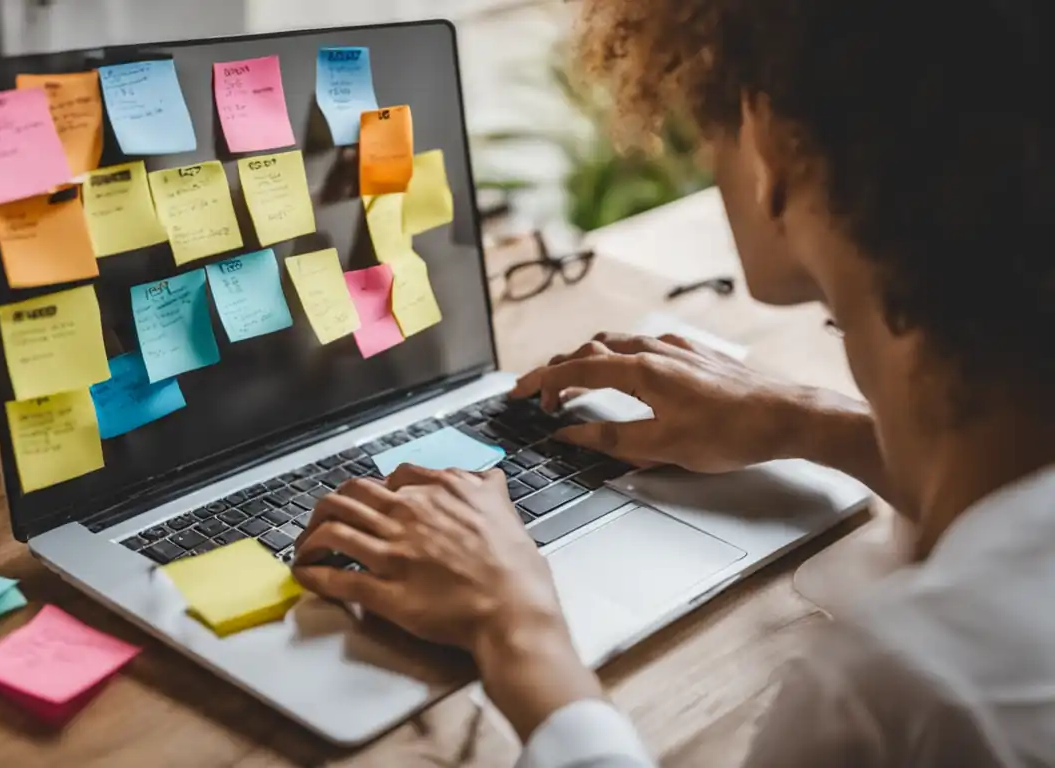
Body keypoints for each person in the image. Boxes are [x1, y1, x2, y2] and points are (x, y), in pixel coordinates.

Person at [292, 0, 1055, 765]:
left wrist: (514, 629)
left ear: (772, 149)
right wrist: (814, 423)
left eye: (706, 120)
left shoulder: (902, 694)